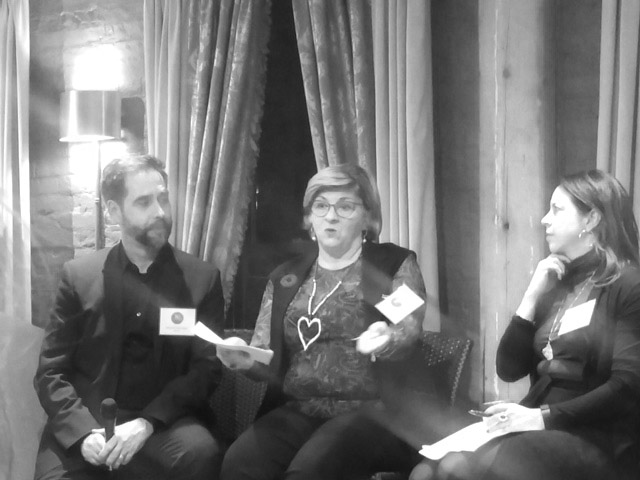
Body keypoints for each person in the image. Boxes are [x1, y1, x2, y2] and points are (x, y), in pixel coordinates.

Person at [410, 169, 640, 480]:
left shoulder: (628, 284)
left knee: (465, 469)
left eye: (556, 210)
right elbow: (508, 369)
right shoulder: (557, 281)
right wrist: (531, 297)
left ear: (591, 220)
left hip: (596, 434)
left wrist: (541, 417)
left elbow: (627, 386)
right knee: (426, 471)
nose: (545, 220)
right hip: (539, 423)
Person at [217, 164, 429, 479]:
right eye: (321, 206)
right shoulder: (285, 278)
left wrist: (388, 337)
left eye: (345, 207)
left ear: (367, 218)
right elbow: (264, 354)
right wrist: (244, 358)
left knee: (309, 472)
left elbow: (408, 328)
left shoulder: (394, 264)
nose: (331, 216)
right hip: (298, 408)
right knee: (239, 463)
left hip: (372, 413)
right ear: (309, 219)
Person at [34, 155, 226, 480]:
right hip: (88, 421)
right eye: (144, 202)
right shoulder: (78, 277)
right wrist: (83, 433)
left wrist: (147, 423)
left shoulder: (201, 279)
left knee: (200, 454)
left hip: (163, 423)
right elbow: (50, 371)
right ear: (113, 211)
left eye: (163, 198)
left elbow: (206, 369)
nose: (160, 212)